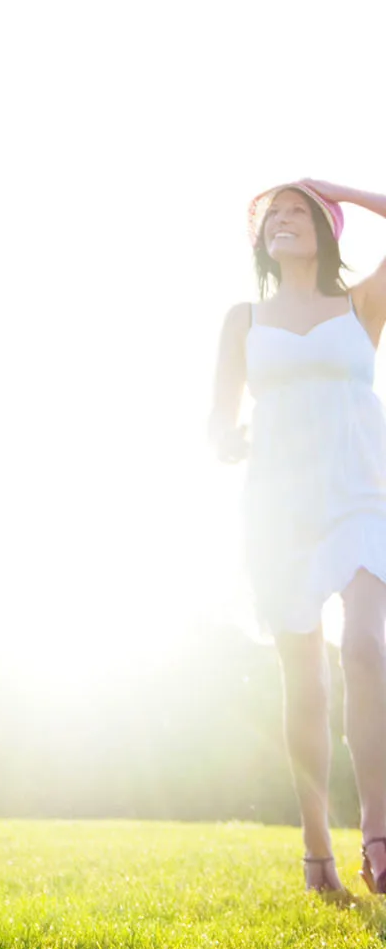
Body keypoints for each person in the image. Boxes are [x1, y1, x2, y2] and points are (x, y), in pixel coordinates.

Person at [209, 179, 386, 897]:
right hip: (279, 508)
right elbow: (217, 420)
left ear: (325, 228)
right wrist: (226, 440)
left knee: (368, 645)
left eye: (297, 210)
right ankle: (319, 855)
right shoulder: (242, 318)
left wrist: (333, 185)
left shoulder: (361, 306)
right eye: (271, 214)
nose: (281, 220)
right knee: (304, 681)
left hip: (360, 494)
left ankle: (379, 831)